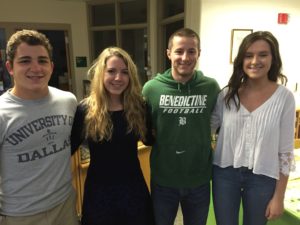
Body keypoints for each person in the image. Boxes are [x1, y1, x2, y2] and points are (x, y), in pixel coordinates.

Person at [211, 31, 296, 225]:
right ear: (241, 60)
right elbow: (204, 127)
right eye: (249, 55)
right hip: (225, 175)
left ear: (273, 59)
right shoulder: (226, 95)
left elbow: (285, 153)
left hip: (263, 176)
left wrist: (279, 197)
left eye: (263, 54)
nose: (255, 61)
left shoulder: (284, 98)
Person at [142, 28, 220, 225]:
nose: (185, 57)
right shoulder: (152, 89)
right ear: (168, 53)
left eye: (191, 51)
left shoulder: (211, 87)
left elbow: (218, 124)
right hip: (164, 179)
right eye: (179, 51)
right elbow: (144, 128)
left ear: (199, 53)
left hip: (199, 179)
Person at [0, 30, 78, 224]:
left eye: (42, 61)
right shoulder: (2, 112)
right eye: (25, 61)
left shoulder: (68, 101)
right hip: (21, 214)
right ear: (10, 67)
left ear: (51, 66)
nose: (36, 68)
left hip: (65, 205)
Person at [71, 47, 155, 225]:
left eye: (124, 72)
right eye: (111, 71)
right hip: (99, 192)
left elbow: (149, 139)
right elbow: (68, 148)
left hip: (133, 189)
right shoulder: (85, 110)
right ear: (101, 74)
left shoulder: (139, 107)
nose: (118, 78)